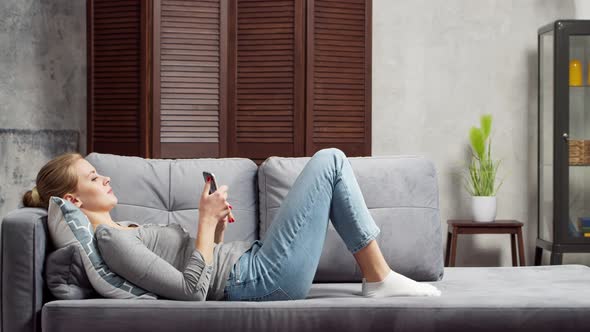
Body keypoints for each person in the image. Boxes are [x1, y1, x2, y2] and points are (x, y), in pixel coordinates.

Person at [23, 148, 442, 301]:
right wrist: (203, 222)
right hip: (259, 279)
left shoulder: (124, 227)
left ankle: (379, 276)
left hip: (252, 265)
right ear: (74, 200)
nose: (106, 178)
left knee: (329, 163)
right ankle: (379, 276)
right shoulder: (110, 239)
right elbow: (191, 293)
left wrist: (217, 226)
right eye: (94, 178)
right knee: (329, 161)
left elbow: (200, 261)